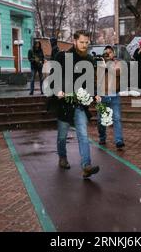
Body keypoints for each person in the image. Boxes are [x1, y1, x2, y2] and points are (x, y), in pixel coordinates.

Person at [53, 30, 101, 179]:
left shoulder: (89, 60)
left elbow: (90, 81)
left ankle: (86, 165)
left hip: (79, 103)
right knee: (62, 136)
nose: (84, 45)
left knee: (83, 134)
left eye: (87, 42)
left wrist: (94, 93)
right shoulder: (62, 56)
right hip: (64, 103)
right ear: (74, 41)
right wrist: (58, 90)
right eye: (82, 42)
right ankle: (62, 157)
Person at [97, 45, 125, 150]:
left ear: (113, 54)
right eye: (106, 52)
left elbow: (119, 72)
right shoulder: (99, 64)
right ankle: (102, 137)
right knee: (101, 120)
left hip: (114, 95)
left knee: (117, 118)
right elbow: (95, 79)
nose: (108, 54)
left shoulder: (118, 63)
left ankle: (119, 141)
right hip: (102, 95)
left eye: (110, 52)